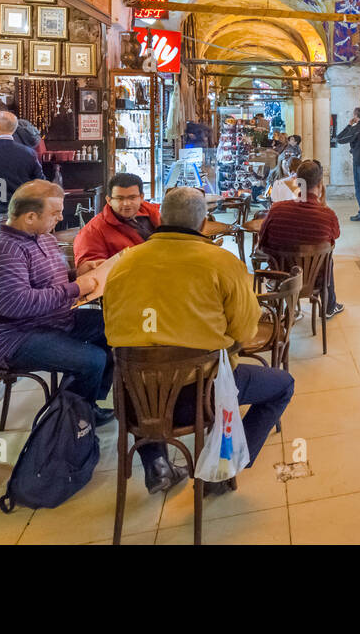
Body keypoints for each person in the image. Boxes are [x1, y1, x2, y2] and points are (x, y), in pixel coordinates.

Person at [103, 187, 295, 495]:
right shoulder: (222, 263)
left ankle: (156, 464)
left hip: (135, 402)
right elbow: (246, 331)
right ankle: (221, 469)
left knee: (142, 367)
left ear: (160, 219)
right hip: (200, 398)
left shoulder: (124, 264)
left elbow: (111, 329)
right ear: (204, 223)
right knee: (282, 385)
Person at [0, 180, 112, 424]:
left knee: (116, 326)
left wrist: (78, 274)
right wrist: (75, 288)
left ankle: (83, 406)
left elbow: (48, 281)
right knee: (93, 359)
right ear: (30, 217)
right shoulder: (3, 251)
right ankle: (71, 419)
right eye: (55, 213)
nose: (60, 218)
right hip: (14, 336)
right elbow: (18, 304)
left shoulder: (43, 237)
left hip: (53, 320)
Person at [257, 160, 344, 318]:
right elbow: (334, 237)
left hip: (281, 277)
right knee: (327, 259)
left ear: (297, 183)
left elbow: (262, 242)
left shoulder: (277, 210)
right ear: (320, 185)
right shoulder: (328, 216)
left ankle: (285, 309)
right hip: (313, 280)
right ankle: (329, 306)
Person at [73, 173, 161, 274]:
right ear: (109, 200)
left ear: (141, 197)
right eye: (120, 198)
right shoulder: (93, 232)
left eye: (132, 197)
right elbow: (92, 273)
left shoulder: (156, 214)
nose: (126, 203)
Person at [333, 107, 360, 222]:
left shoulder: (356, 128)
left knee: (359, 188)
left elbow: (339, 139)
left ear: (355, 115)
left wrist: (349, 125)